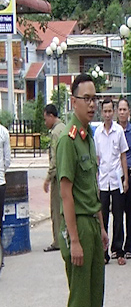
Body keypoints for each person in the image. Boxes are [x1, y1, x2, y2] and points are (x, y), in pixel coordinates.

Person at [56, 73, 109, 307]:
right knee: (80, 296)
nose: (92, 104)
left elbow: (92, 190)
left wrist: (101, 227)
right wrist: (74, 240)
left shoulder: (88, 137)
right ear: (73, 101)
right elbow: (66, 193)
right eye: (86, 99)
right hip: (77, 230)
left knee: (95, 293)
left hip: (92, 223)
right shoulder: (68, 140)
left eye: (95, 98)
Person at [94, 98, 129, 265]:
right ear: (102, 113)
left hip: (116, 180)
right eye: (105, 111)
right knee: (104, 218)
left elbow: (123, 155)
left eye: (110, 111)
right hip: (103, 180)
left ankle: (119, 251)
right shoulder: (98, 133)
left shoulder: (119, 131)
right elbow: (97, 158)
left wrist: (126, 179)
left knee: (118, 217)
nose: (107, 114)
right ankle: (104, 251)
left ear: (113, 112)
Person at [43, 104, 65, 252]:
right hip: (68, 175)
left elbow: (54, 160)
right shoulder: (65, 127)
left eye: (46, 119)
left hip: (58, 177)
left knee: (56, 210)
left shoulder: (56, 133)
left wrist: (47, 179)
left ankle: (58, 241)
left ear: (51, 116)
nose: (45, 123)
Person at [117, 98, 131, 259]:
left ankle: (128, 246)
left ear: (129, 112)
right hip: (117, 175)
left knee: (129, 212)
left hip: (130, 173)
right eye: (120, 109)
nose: (122, 112)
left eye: (125, 109)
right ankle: (118, 246)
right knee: (118, 211)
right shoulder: (115, 131)